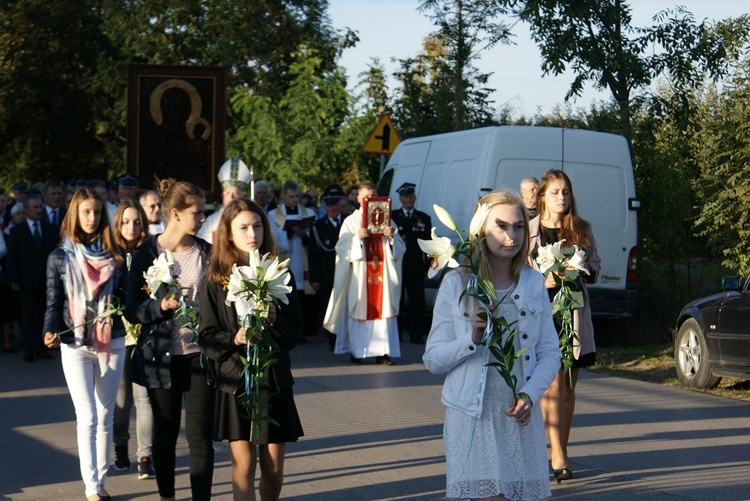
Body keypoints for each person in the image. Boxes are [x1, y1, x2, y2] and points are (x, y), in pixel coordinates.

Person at [423, 189, 561, 501]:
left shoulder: (533, 283)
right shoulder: (457, 282)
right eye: (501, 226)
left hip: (519, 416)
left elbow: (550, 351)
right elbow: (433, 359)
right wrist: (470, 339)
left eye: (519, 226)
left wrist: (529, 393)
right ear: (480, 230)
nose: (511, 235)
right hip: (473, 417)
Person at [199, 198, 304, 501]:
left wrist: (274, 321)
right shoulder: (216, 279)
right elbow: (207, 336)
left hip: (272, 379)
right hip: (236, 382)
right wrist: (236, 338)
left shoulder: (280, 273)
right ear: (229, 233)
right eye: (243, 227)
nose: (251, 233)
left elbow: (296, 331)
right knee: (244, 465)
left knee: (273, 470)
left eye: (257, 225)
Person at [125, 179, 214, 501]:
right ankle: (167, 497)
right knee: (164, 435)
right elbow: (132, 309)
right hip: (161, 359)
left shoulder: (206, 252)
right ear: (175, 214)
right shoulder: (146, 253)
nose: (203, 218)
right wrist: (159, 306)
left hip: (199, 356)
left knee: (200, 437)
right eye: (198, 212)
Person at [42, 187, 128, 501]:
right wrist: (49, 330)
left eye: (96, 212)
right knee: (87, 416)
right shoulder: (59, 257)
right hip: (75, 344)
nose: (91, 218)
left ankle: (100, 480)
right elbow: (53, 303)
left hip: (112, 342)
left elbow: (127, 301)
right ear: (75, 215)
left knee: (106, 417)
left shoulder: (116, 256)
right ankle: (91, 487)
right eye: (85, 212)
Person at [528, 169, 600, 482]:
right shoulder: (528, 229)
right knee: (553, 384)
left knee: (569, 386)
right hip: (541, 315)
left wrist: (582, 267)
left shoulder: (580, 228)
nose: (562, 197)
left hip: (573, 314)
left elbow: (595, 263)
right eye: (556, 192)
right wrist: (540, 280)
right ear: (542, 195)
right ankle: (557, 454)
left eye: (566, 192)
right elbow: (515, 270)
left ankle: (561, 449)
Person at [323, 182, 404, 365]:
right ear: (358, 198)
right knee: (360, 310)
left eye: (373, 195)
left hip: (382, 276)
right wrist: (356, 239)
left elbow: (400, 249)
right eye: (366, 196)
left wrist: (392, 239)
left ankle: (383, 353)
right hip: (360, 278)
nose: (370, 199)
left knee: (383, 314)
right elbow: (341, 248)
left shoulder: (388, 219)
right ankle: (358, 351)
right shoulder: (351, 222)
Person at [111, 200, 156, 479]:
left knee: (144, 398)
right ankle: (120, 448)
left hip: (144, 334)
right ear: (118, 224)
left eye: (137, 221)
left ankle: (145, 456)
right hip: (117, 335)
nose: (132, 226)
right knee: (121, 400)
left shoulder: (150, 252)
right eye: (126, 221)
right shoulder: (109, 254)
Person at [6, 192, 58, 361]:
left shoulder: (50, 229)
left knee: (44, 315)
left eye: (40, 207)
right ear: (26, 209)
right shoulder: (16, 231)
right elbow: (12, 257)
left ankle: (42, 348)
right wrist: (13, 279)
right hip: (26, 281)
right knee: (28, 316)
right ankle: (29, 349)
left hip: (47, 281)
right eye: (35, 207)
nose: (39, 210)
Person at [270, 180, 317, 338]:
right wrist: (288, 232)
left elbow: (314, 237)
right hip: (286, 256)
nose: (294, 200)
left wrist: (305, 235)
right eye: (291, 197)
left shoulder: (308, 213)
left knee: (304, 294)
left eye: (297, 196)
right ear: (284, 196)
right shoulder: (273, 214)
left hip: (302, 255)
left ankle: (307, 329)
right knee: (288, 292)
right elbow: (274, 237)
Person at [390, 182, 432, 344]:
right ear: (400, 198)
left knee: (417, 304)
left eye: (411, 196)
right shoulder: (393, 217)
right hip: (397, 267)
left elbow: (429, 246)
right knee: (397, 303)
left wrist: (429, 268)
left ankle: (416, 335)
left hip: (416, 267)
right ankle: (396, 335)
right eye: (406, 197)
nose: (409, 200)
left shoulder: (423, 218)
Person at [308, 184, 344, 351]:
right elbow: (313, 254)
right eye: (328, 205)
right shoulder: (318, 226)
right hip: (326, 275)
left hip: (345, 273)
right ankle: (332, 339)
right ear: (324, 206)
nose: (332, 208)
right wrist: (314, 278)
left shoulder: (347, 222)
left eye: (335, 205)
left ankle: (343, 339)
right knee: (329, 309)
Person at [197, 157, 250, 244]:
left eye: (235, 193)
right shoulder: (211, 220)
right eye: (227, 193)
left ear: (242, 196)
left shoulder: (248, 217)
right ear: (222, 196)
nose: (231, 197)